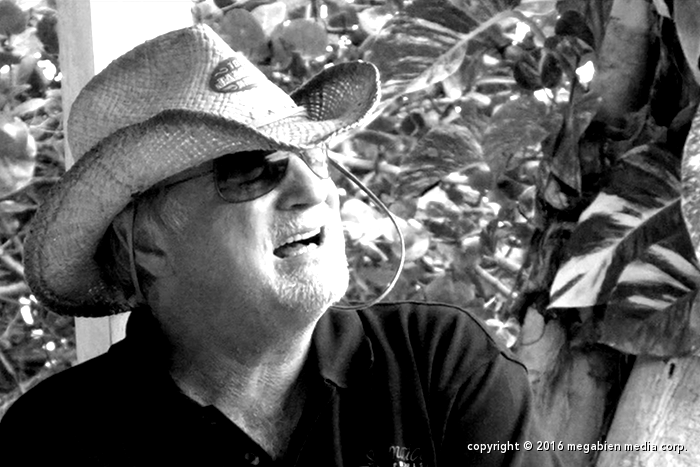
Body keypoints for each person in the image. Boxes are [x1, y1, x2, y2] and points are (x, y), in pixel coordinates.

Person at [0, 24, 559, 467]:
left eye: (312, 156)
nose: (314, 191)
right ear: (144, 241)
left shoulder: (439, 363)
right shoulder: (55, 439)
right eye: (251, 168)